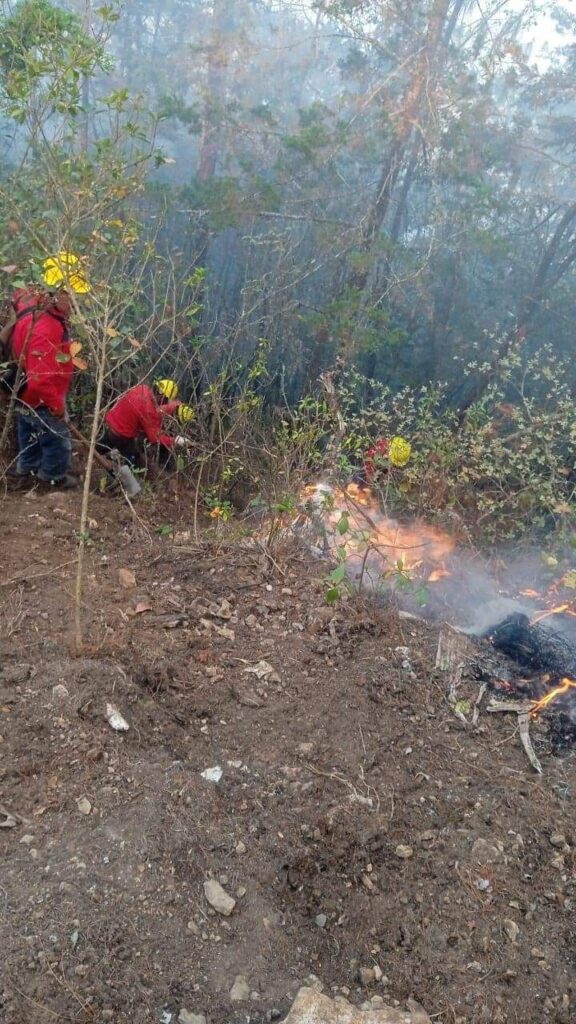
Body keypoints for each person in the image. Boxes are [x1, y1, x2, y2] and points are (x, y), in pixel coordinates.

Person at [99, 380, 194, 466]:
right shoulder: (148, 411)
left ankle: (93, 453)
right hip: (121, 434)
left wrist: (175, 407)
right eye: (165, 401)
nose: (165, 403)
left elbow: (156, 408)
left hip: (113, 420)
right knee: (134, 463)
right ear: (161, 397)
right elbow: (154, 438)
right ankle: (118, 477)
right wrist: (176, 440)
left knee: (101, 447)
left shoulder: (142, 388)